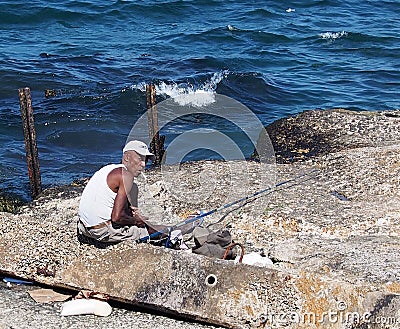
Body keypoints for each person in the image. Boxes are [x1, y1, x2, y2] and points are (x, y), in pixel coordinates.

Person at [77, 140, 160, 246]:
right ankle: (181, 230)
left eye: (145, 160)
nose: (143, 164)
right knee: (153, 231)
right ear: (127, 158)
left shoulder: (109, 169)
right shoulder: (126, 176)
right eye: (140, 159)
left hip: (83, 227)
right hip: (99, 231)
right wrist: (136, 221)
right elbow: (117, 218)